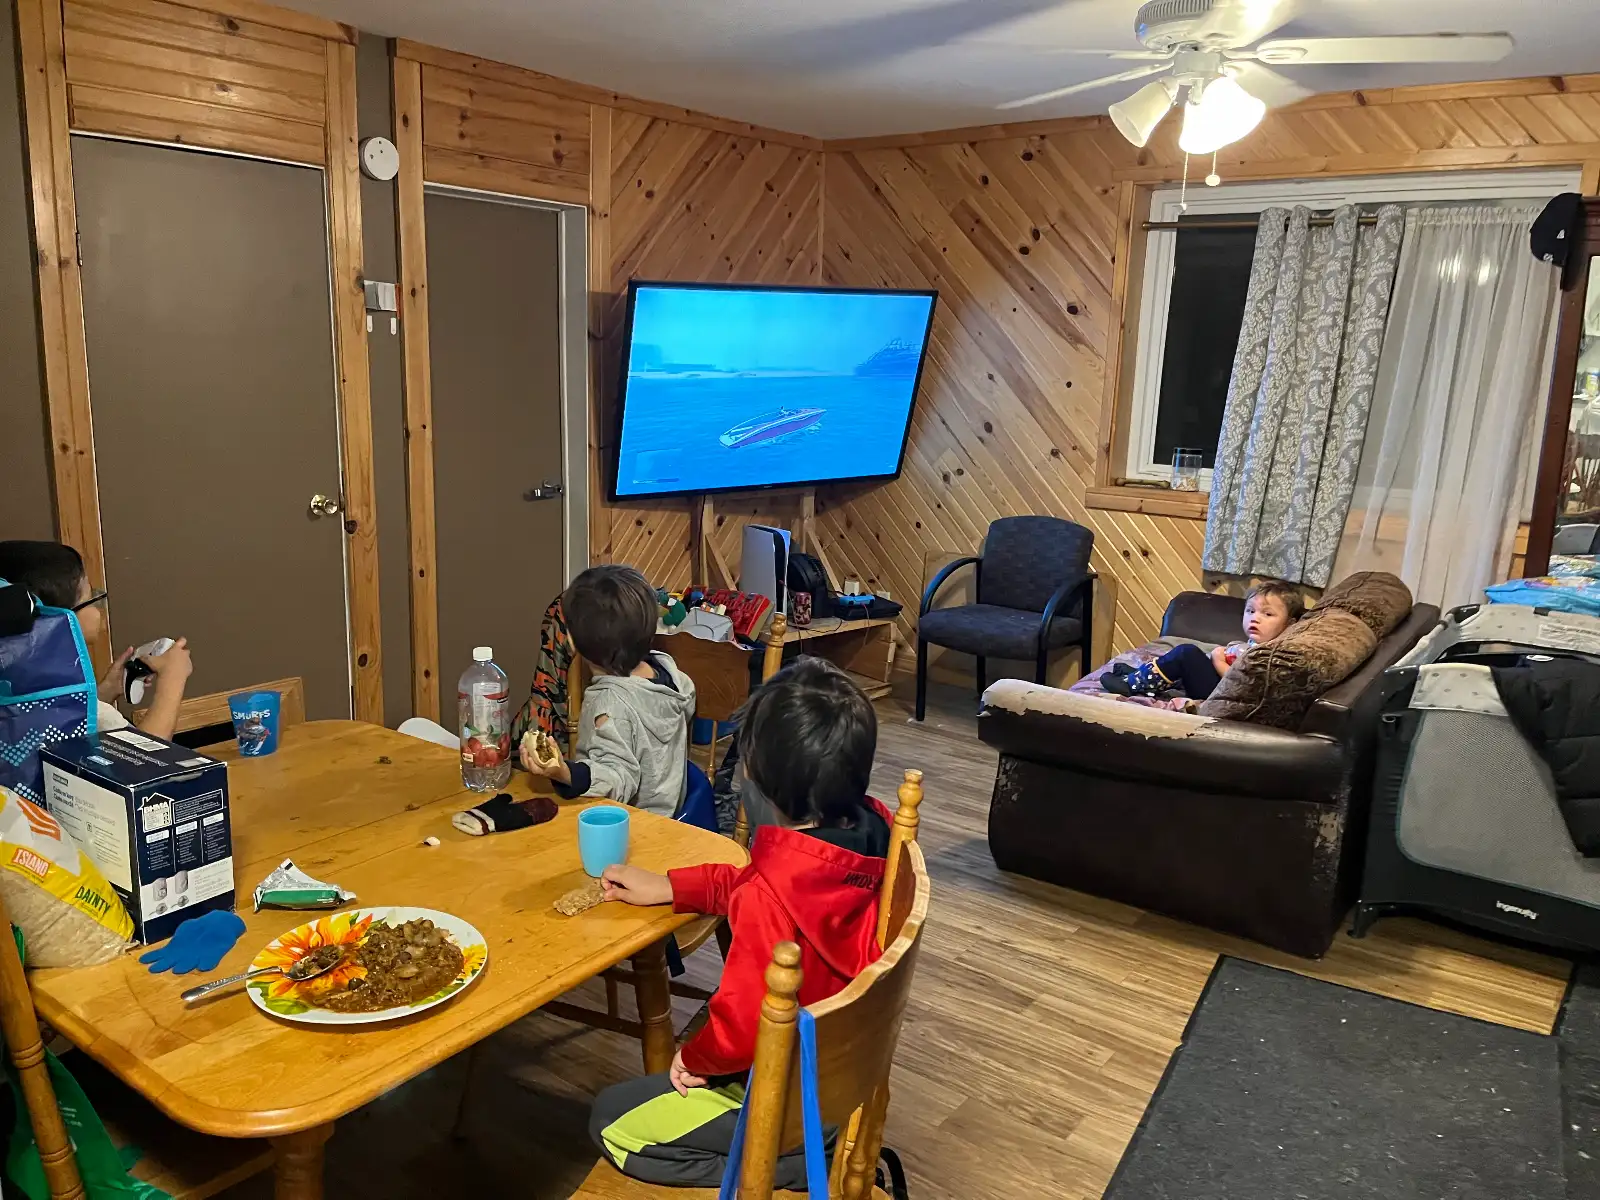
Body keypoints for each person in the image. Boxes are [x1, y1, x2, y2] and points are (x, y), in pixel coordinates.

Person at [587, 657, 890, 1188]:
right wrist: (673, 886)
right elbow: (762, 884)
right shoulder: (869, 836)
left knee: (611, 1122)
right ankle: (817, 1145)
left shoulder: (766, 897)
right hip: (842, 1076)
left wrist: (695, 1058)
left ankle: (794, 1165)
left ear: (760, 783)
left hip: (781, 1089)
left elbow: (741, 1028)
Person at [520, 564, 696, 818]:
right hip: (674, 811)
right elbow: (687, 700)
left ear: (572, 641)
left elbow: (617, 779)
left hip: (635, 824)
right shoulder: (669, 672)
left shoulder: (608, 705)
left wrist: (564, 773)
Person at [0, 540, 192, 739]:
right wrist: (172, 679)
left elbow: (71, 722)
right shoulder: (103, 715)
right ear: (61, 618)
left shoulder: (21, 697)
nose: (98, 607)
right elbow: (148, 754)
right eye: (91, 597)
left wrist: (105, 692)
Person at [1103, 578, 1304, 701]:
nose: (1255, 618)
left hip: (1221, 694)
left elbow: (1244, 683)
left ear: (1289, 624)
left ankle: (1132, 685)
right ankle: (1141, 674)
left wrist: (1218, 660)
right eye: (1250, 611)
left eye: (1267, 614)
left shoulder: (1271, 653)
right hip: (1218, 685)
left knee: (1186, 653)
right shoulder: (1254, 645)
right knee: (1187, 661)